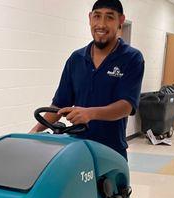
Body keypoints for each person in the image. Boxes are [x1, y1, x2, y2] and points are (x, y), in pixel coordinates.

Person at [30, 0, 144, 160]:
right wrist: (35, 131)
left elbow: (126, 106)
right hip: (78, 148)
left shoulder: (132, 58)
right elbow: (60, 104)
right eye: (97, 16)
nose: (101, 24)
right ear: (90, 18)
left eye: (109, 17)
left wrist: (90, 113)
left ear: (121, 20)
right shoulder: (76, 59)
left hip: (111, 151)